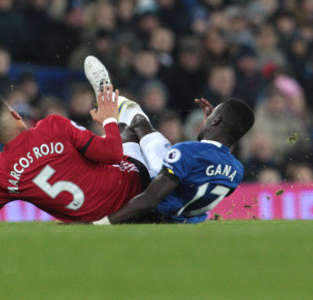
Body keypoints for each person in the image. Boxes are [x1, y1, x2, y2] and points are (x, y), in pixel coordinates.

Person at [0, 81, 154, 226]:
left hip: (101, 220)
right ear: (16, 115)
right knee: (132, 125)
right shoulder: (53, 125)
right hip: (137, 187)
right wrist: (108, 119)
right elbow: (113, 154)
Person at [83, 60, 255, 224]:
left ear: (216, 121)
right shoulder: (237, 170)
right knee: (139, 123)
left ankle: (103, 92)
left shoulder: (186, 151)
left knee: (126, 130)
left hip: (145, 199)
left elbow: (150, 200)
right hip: (183, 214)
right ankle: (105, 92)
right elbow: (203, 165)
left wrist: (100, 224)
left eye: (212, 117)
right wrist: (208, 129)